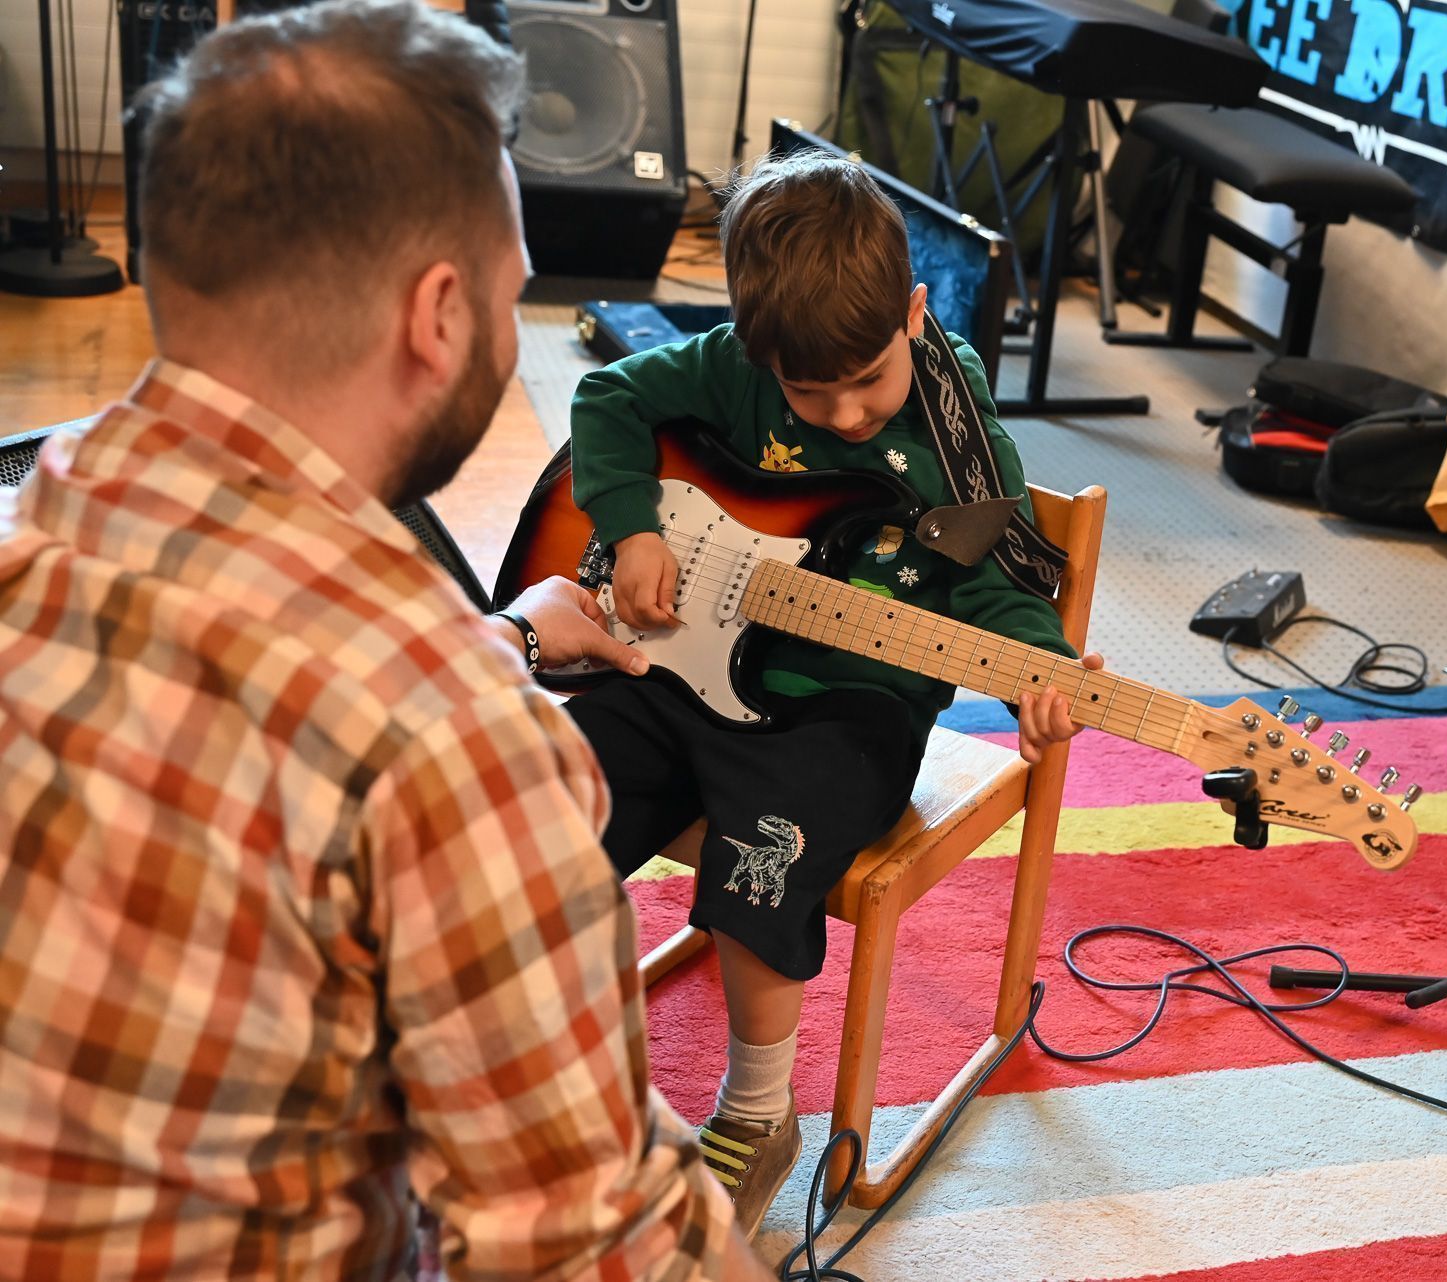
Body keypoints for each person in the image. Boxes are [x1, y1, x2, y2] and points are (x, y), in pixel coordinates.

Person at [0, 2, 769, 1277]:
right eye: (514, 292)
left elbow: (243, 684)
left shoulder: (42, 517)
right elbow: (600, 1248)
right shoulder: (457, 743)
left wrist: (497, 640)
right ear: (439, 313)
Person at [565, 151, 1103, 1237]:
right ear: (757, 350)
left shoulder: (954, 428)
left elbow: (996, 588)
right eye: (812, 394)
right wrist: (629, 528)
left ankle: (757, 1112)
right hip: (690, 663)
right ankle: (523, 1050)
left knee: (762, 856)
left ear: (915, 312)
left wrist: (1036, 674)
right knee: (546, 791)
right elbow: (607, 395)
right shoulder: (737, 367)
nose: (849, 414)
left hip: (853, 706)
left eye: (869, 379)